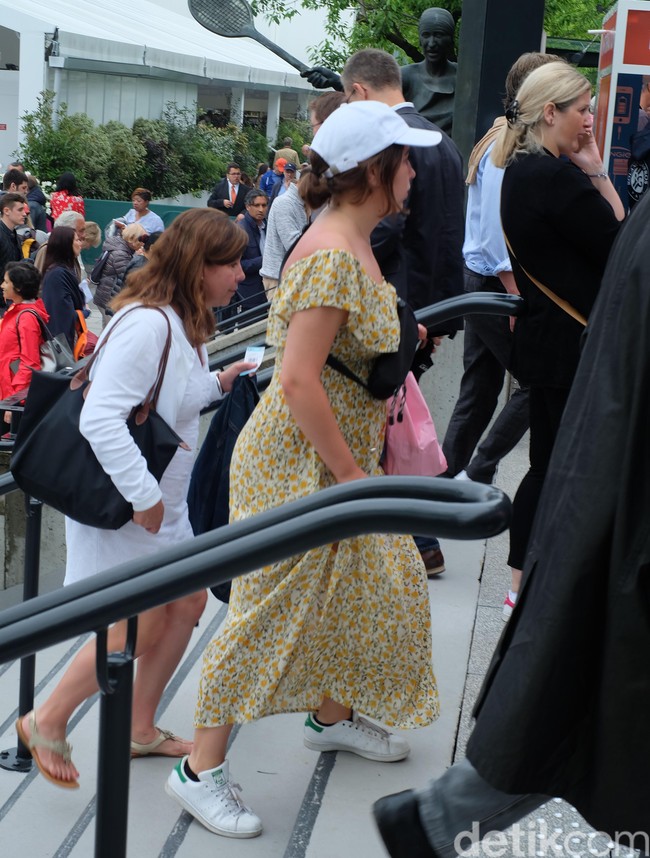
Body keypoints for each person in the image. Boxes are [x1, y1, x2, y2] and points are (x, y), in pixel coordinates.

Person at [165, 99, 441, 840]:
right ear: (377, 171)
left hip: (329, 458)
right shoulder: (329, 254)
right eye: (406, 159)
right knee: (266, 611)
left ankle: (331, 713)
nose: (415, 171)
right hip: (299, 465)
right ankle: (199, 769)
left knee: (373, 580)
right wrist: (354, 478)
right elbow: (296, 378)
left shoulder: (354, 239)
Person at [372, 179, 650, 858]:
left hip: (608, 473)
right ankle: (443, 817)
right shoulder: (543, 181)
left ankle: (443, 817)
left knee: (585, 670)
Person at [15, 209, 256, 789]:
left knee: (188, 601)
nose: (242, 277)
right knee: (139, 620)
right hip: (132, 505)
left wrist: (219, 383)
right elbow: (101, 417)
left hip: (158, 507)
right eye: (231, 265)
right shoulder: (149, 325)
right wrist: (145, 497)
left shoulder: (176, 321)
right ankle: (46, 718)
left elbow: (167, 394)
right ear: (200, 268)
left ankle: (138, 728)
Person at [341, 47, 463, 576]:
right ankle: (420, 538)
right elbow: (445, 234)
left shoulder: (392, 143)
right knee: (401, 424)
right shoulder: (447, 145)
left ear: (361, 92)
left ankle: (416, 539)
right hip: (427, 308)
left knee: (386, 427)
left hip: (394, 308)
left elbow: (386, 228)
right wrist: (438, 319)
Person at [441, 53, 562, 490]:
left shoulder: (500, 137)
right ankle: (478, 468)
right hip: (496, 286)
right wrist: (517, 298)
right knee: (537, 380)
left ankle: (442, 479)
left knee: (479, 390)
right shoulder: (507, 145)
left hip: (485, 283)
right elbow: (496, 234)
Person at [0, 261, 48, 430]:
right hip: (7, 390)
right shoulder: (18, 309)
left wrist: (14, 402)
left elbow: (30, 362)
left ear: (18, 288)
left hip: (13, 396)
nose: (2, 285)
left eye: (6, 282)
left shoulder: (26, 317)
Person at [400, 8, 457, 136]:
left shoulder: (463, 77)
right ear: (420, 39)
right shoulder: (405, 77)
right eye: (426, 35)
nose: (431, 44)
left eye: (438, 35)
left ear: (450, 39)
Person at [259, 166, 306, 299]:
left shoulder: (300, 203)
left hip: (289, 276)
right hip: (278, 278)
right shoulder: (284, 203)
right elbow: (292, 244)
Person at [41, 226, 86, 350]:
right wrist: (82, 313)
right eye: (76, 240)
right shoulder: (57, 275)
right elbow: (60, 316)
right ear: (66, 245)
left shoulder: (63, 271)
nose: (80, 243)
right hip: (63, 345)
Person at [93, 223, 147, 328]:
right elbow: (129, 276)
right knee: (111, 332)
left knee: (107, 331)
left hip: (105, 296)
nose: (142, 244)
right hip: (108, 299)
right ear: (131, 238)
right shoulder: (121, 253)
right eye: (140, 240)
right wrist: (140, 258)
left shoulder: (120, 247)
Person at [236, 189, 268, 313]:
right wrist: (264, 260)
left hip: (268, 289)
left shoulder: (268, 225)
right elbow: (237, 265)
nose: (261, 209)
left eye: (264, 205)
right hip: (250, 293)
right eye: (257, 205)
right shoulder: (241, 230)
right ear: (248, 207)